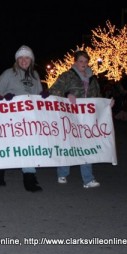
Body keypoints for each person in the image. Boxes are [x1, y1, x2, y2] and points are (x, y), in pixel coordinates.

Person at [0, 45, 45, 192]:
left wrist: (43, 95)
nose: (23, 60)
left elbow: (38, 94)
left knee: (29, 147)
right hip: (9, 118)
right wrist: (4, 98)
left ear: (31, 60)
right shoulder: (8, 73)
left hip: (28, 119)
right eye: (20, 57)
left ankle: (29, 178)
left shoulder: (35, 75)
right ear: (16, 60)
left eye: (27, 57)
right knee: (7, 146)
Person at [49, 50, 105, 189]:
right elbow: (53, 91)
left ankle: (88, 179)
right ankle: (62, 172)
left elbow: (97, 97)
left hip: (87, 117)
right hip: (70, 115)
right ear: (75, 62)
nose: (83, 64)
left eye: (86, 61)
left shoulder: (93, 79)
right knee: (69, 144)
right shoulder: (67, 76)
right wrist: (67, 94)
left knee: (86, 146)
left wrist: (106, 103)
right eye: (80, 61)